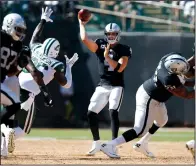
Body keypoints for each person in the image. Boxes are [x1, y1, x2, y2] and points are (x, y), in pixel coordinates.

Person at [1, 7, 78, 155]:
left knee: (8, 116)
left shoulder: (35, 48)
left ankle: (4, 142)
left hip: (14, 84)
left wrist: (42, 20)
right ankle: (6, 136)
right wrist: (68, 67)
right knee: (23, 129)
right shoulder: (56, 64)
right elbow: (66, 83)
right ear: (55, 51)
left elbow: (35, 36)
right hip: (29, 92)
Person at [100, 52, 194, 158]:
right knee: (139, 129)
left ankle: (142, 144)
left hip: (156, 97)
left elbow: (185, 72)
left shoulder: (167, 59)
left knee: (162, 121)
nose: (186, 70)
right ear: (174, 71)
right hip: (148, 98)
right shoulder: (168, 79)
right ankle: (108, 145)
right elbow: (187, 94)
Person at [1, 12, 53, 157]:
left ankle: (4, 144)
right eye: (18, 29)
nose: (20, 33)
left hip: (9, 82)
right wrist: (46, 93)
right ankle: (5, 139)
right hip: (12, 84)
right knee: (12, 119)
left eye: (22, 30)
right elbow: (33, 72)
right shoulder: (21, 48)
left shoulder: (19, 46)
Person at [78, 15, 132, 155]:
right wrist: (82, 24)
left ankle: (112, 146)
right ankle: (96, 143)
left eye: (114, 34)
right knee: (91, 113)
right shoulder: (101, 44)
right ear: (105, 35)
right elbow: (85, 39)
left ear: (118, 34)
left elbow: (119, 68)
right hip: (103, 85)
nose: (111, 36)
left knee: (113, 112)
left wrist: (107, 56)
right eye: (109, 34)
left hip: (116, 86)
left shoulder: (124, 49)